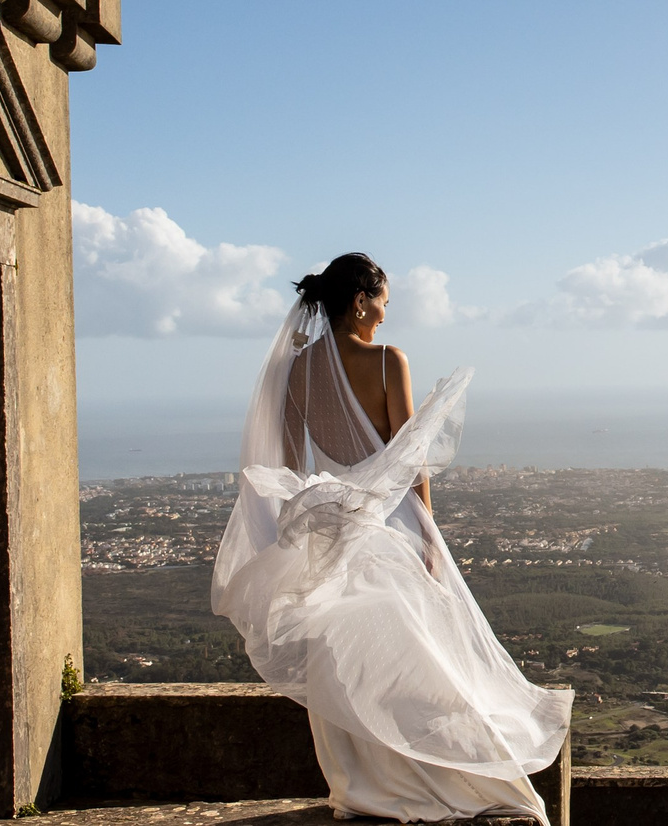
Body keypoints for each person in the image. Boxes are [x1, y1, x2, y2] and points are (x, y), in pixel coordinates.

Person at [213, 253, 571, 822]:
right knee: (426, 655)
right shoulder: (386, 361)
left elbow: (286, 465)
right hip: (393, 522)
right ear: (360, 299)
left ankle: (361, 782)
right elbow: (410, 460)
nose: (385, 311)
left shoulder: (294, 372)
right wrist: (428, 532)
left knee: (347, 654)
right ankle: (453, 776)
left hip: (330, 529)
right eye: (383, 299)